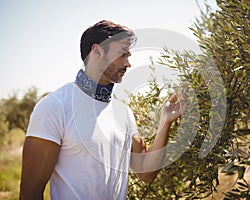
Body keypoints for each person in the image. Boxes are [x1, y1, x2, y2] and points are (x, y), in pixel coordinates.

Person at [19, 20, 187, 200]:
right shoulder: (55, 107)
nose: (128, 64)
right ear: (97, 51)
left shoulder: (123, 112)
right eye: (123, 54)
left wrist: (165, 122)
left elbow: (146, 173)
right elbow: (30, 192)